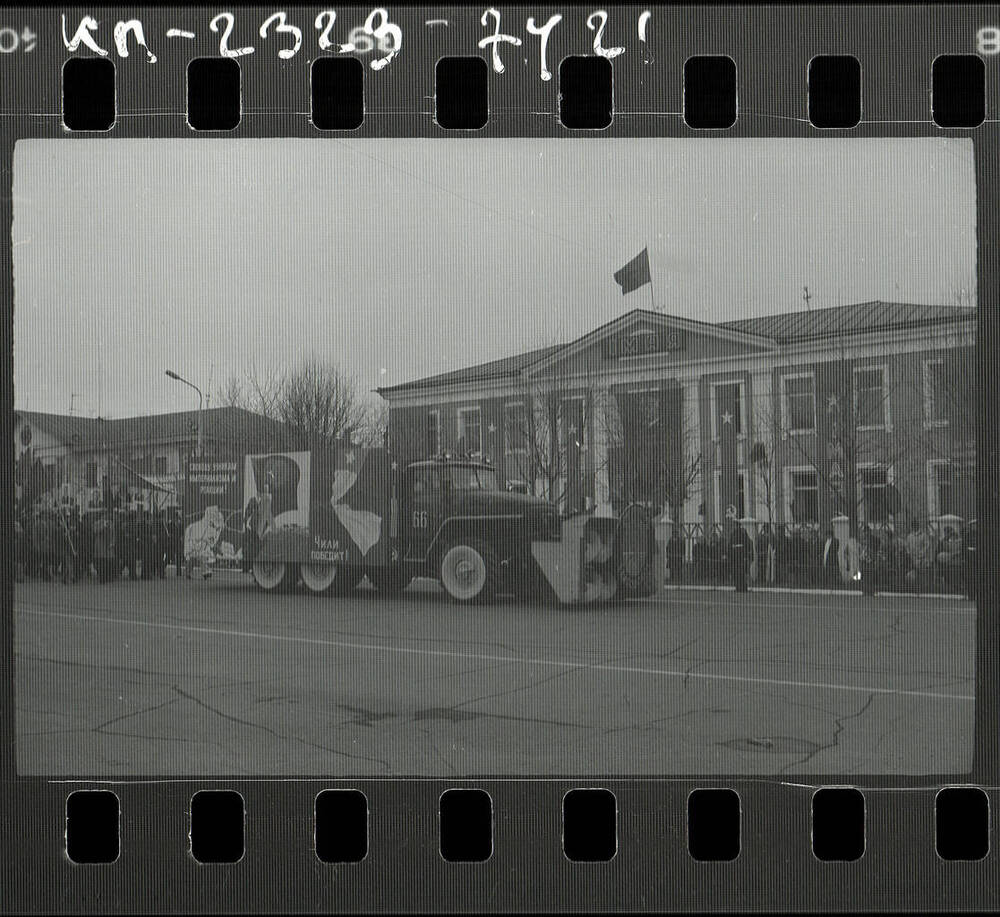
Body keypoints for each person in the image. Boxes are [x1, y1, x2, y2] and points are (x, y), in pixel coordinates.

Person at [728, 523, 751, 592]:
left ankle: (743, 587)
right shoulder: (733, 534)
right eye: (736, 526)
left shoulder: (743, 534)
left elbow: (747, 544)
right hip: (735, 555)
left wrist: (746, 554)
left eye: (738, 526)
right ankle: (738, 587)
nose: (737, 527)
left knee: (741, 572)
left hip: (741, 555)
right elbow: (730, 544)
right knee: (736, 572)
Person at [964, 519, 977, 601]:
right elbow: (964, 546)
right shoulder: (967, 535)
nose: (974, 527)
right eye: (973, 525)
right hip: (969, 559)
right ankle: (971, 595)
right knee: (970, 577)